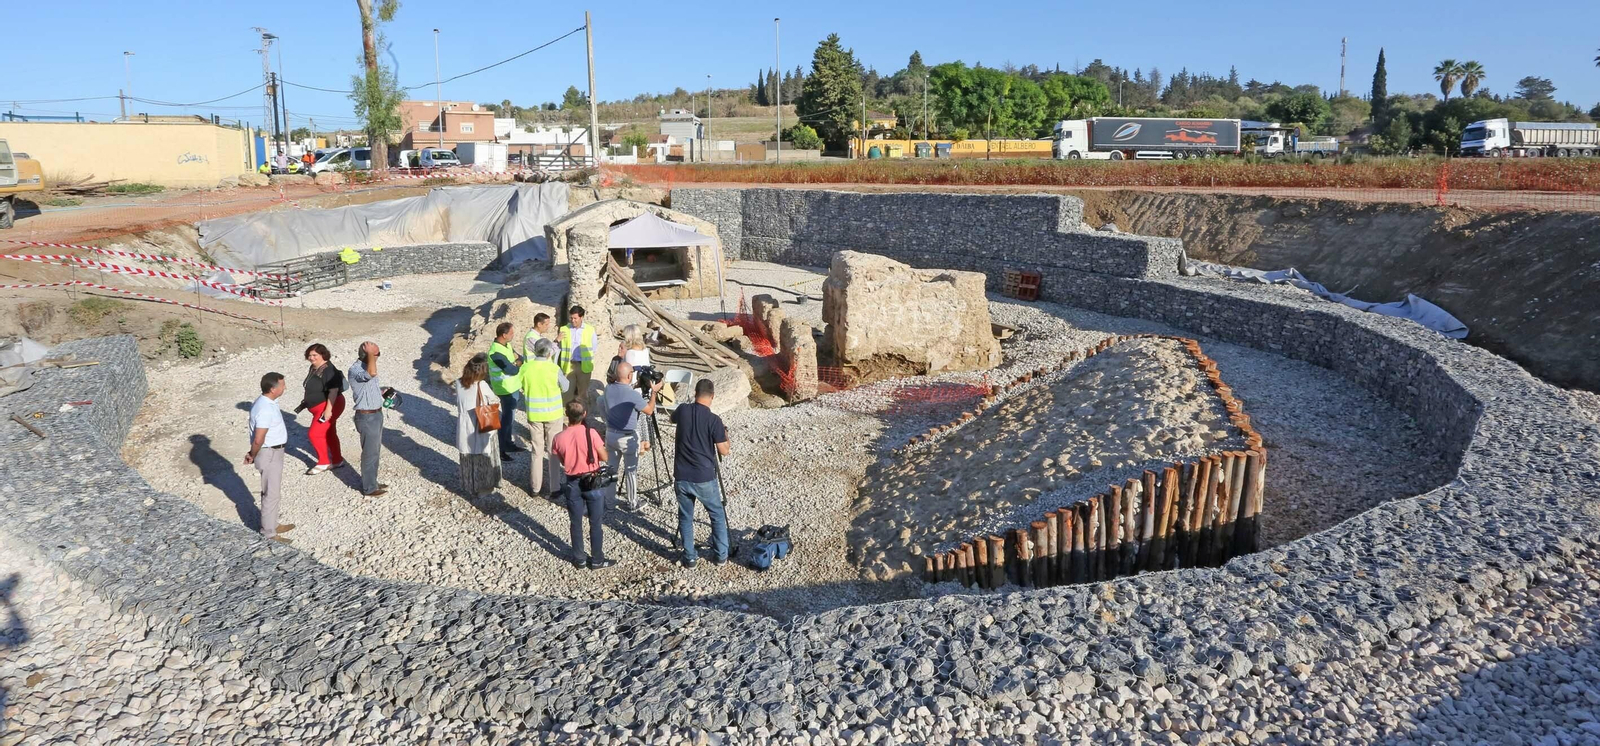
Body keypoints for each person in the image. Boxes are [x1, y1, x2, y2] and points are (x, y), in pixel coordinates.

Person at [671, 378, 731, 567]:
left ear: (695, 393)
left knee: (686, 517)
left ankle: (689, 557)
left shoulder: (682, 410)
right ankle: (721, 555)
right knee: (716, 514)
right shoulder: (714, 420)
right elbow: (724, 451)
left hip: (682, 475)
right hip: (704, 476)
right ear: (712, 396)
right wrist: (725, 434)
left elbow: (671, 418)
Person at [550, 400, 613, 570]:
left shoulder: (558, 438)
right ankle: (598, 559)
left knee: (575, 522)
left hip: (572, 482)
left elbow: (561, 460)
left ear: (566, 414)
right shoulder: (591, 433)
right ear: (584, 414)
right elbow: (604, 457)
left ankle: (579, 559)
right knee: (596, 522)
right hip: (592, 480)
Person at [603, 358, 660, 513]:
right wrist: (653, 392)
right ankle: (632, 502)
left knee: (611, 469)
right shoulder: (632, 395)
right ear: (629, 376)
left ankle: (608, 502)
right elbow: (649, 410)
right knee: (631, 470)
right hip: (627, 437)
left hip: (610, 434)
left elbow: (621, 391)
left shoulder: (608, 388)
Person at [244, 372, 295, 544]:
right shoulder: (265, 408)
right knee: (270, 493)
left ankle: (272, 524)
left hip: (273, 451)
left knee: (273, 492)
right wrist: (252, 454)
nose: (285, 387)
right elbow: (259, 438)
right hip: (269, 453)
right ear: (273, 389)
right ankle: (269, 533)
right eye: (282, 385)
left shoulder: (268, 402)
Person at [521, 338, 570, 499]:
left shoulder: (526, 367)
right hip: (553, 414)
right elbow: (566, 387)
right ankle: (554, 487)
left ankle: (535, 487)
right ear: (550, 352)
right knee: (553, 451)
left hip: (534, 414)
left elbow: (519, 384)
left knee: (536, 450)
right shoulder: (553, 369)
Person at [453, 354, 503, 499]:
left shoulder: (458, 383)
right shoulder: (482, 385)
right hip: (481, 423)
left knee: (468, 456)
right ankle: (484, 488)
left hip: (464, 424)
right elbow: (494, 400)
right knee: (483, 456)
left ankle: (469, 485)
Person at [293, 343, 347, 475]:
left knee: (314, 434)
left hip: (330, 406)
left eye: (314, 355)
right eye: (309, 355)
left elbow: (333, 391)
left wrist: (328, 411)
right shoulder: (314, 367)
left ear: (323, 354)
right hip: (319, 407)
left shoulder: (329, 370)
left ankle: (323, 462)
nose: (311, 358)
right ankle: (337, 460)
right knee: (329, 433)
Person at [346, 341, 388, 497]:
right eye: (377, 354)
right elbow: (371, 374)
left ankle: (372, 481)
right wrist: (371, 353)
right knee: (369, 453)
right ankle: (369, 488)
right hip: (366, 417)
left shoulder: (369, 366)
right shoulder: (355, 370)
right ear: (368, 355)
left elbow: (368, 386)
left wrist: (381, 392)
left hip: (376, 414)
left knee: (375, 451)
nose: (378, 357)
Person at [487, 322, 526, 459]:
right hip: (505, 389)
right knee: (507, 419)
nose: (513, 335)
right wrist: (517, 363)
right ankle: (502, 448)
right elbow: (512, 369)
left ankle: (508, 443)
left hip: (513, 386)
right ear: (504, 335)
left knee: (510, 418)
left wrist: (518, 362)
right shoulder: (495, 352)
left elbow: (520, 358)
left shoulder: (506, 345)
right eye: (511, 333)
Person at [557, 306, 596, 406]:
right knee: (566, 393)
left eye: (575, 318)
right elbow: (559, 347)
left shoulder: (590, 330)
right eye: (571, 318)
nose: (572, 320)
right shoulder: (564, 329)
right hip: (568, 365)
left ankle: (582, 417)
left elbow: (594, 347)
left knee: (582, 394)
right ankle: (566, 416)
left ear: (581, 317)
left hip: (584, 366)